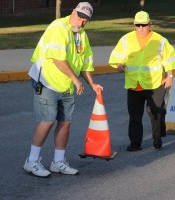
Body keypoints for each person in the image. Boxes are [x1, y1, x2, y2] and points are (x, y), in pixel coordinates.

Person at [23, 2, 103, 178]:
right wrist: (76, 80)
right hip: (47, 81)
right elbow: (58, 59)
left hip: (66, 85)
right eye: (80, 17)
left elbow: (85, 64)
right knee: (47, 120)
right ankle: (32, 161)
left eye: (86, 20)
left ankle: (58, 162)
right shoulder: (58, 27)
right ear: (73, 12)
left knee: (65, 122)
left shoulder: (82, 35)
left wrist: (92, 84)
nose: (82, 22)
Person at [108, 11, 175, 151]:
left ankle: (157, 138)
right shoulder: (126, 39)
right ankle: (135, 143)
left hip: (155, 83)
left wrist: (170, 76)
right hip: (134, 84)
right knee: (134, 115)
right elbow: (116, 57)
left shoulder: (159, 40)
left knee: (155, 112)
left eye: (144, 25)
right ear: (134, 25)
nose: (141, 28)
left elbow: (170, 58)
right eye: (138, 25)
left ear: (150, 24)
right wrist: (118, 65)